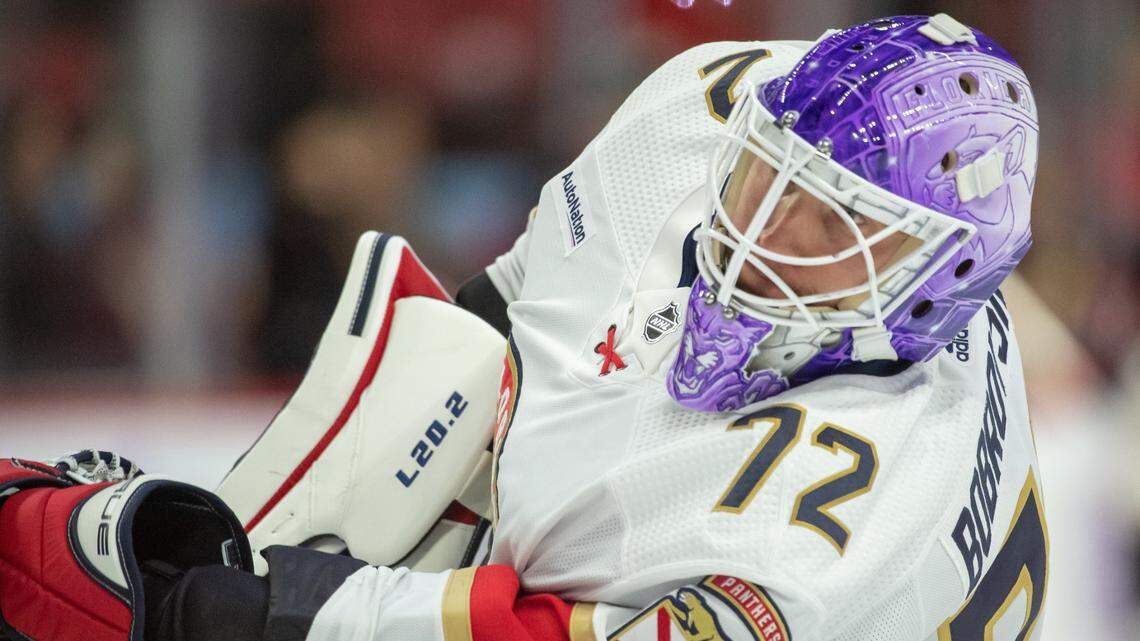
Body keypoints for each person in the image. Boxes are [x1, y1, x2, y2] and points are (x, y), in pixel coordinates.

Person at [0, 14, 1045, 641]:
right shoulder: (707, 103)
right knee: (440, 362)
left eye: (822, 215)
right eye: (771, 164)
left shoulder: (843, 521)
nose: (759, 216)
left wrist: (276, 608)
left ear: (928, 281)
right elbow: (512, 312)